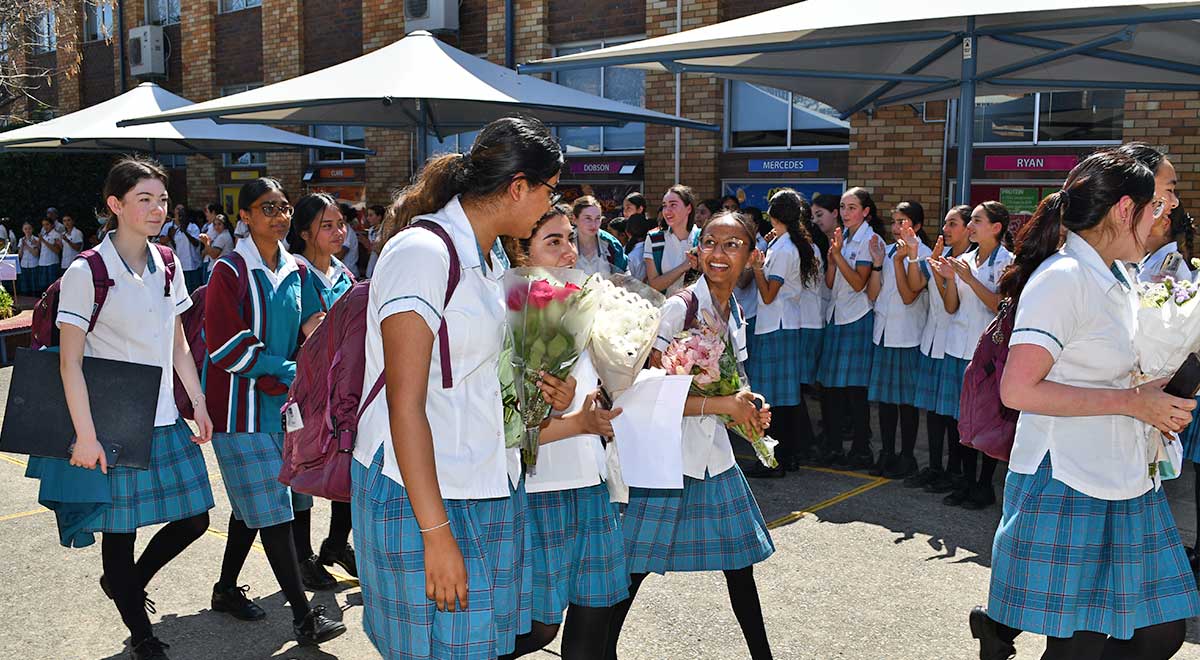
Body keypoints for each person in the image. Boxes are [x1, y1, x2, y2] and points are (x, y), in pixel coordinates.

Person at [970, 149, 1200, 660]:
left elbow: (1110, 366)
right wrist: (1133, 402)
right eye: (1154, 207)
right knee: (1084, 645)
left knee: (1159, 632)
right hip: (1069, 475)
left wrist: (1158, 396)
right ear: (1124, 210)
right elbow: (1019, 390)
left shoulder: (1117, 275)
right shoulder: (1064, 276)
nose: (1164, 216)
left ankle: (994, 631)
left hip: (1120, 472)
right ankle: (995, 630)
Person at [352, 116, 565, 660]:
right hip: (422, 493)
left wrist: (540, 396)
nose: (549, 206)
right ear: (518, 187)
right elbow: (406, 405)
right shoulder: (422, 254)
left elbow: (475, 377)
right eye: (548, 192)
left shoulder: (492, 256)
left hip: (486, 481)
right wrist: (436, 534)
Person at [56, 157, 215, 660]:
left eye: (162, 199)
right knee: (120, 534)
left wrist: (200, 403)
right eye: (144, 199)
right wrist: (85, 435)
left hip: (166, 416)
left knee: (195, 519)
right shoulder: (88, 270)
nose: (156, 208)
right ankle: (140, 631)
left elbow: (179, 344)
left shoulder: (168, 262)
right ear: (115, 205)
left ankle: (124, 583)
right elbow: (69, 363)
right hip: (114, 425)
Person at [607, 209, 775, 660]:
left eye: (732, 245)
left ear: (752, 256)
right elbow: (644, 388)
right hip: (667, 459)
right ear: (697, 253)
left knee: (740, 566)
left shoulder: (735, 310)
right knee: (632, 570)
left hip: (712, 457)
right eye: (711, 244)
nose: (719, 254)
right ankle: (596, 649)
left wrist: (749, 406)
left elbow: (730, 380)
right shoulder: (681, 307)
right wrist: (724, 405)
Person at [204, 178, 346, 646]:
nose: (280, 215)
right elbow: (226, 346)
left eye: (284, 207)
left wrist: (328, 347)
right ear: (243, 216)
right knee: (276, 510)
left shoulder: (296, 268)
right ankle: (305, 617)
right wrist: (288, 367)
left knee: (252, 509)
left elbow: (311, 324)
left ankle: (225, 588)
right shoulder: (230, 270)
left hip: (280, 409)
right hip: (238, 412)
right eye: (268, 208)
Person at [501, 204, 628, 660]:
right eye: (553, 241)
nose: (568, 250)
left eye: (570, 237)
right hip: (542, 490)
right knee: (537, 630)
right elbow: (509, 431)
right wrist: (581, 423)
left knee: (592, 628)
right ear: (522, 250)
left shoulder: (578, 304)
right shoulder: (516, 314)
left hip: (590, 483)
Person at [287, 193, 359, 590]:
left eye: (340, 224)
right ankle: (302, 558)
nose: (339, 232)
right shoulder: (297, 273)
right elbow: (312, 329)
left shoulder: (343, 274)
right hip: (308, 391)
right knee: (305, 470)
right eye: (327, 226)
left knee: (344, 465)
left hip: (342, 389)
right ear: (304, 233)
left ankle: (335, 544)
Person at [930, 201, 1014, 510]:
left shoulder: (1007, 262)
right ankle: (965, 481)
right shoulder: (963, 260)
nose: (970, 227)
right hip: (957, 348)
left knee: (988, 420)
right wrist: (948, 280)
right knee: (960, 420)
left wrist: (968, 279)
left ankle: (983, 485)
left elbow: (999, 307)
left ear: (996, 227)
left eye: (977, 221)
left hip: (986, 354)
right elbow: (951, 306)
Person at [745, 190, 824, 478]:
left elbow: (767, 295)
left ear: (773, 214)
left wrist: (755, 268)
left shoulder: (784, 248)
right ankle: (788, 457)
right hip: (787, 325)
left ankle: (773, 460)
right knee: (786, 398)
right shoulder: (791, 243)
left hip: (774, 327)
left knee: (771, 399)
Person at [903, 205, 974, 493]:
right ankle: (934, 466)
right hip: (931, 340)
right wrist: (912, 253)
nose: (946, 228)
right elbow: (915, 284)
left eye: (953, 223)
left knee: (952, 415)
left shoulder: (970, 263)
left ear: (969, 228)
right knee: (933, 412)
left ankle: (954, 470)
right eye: (945, 223)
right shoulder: (939, 257)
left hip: (955, 344)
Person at [815, 188, 883, 469]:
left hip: (857, 318)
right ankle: (833, 446)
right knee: (830, 388)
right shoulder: (843, 237)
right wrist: (833, 259)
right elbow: (831, 283)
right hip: (836, 315)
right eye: (843, 207)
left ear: (866, 211)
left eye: (852, 207)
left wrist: (839, 256)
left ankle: (860, 449)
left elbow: (859, 284)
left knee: (855, 391)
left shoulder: (870, 239)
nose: (845, 213)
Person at [864, 201, 932, 479]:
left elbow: (910, 296)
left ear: (916, 226)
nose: (895, 227)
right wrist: (878, 265)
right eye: (893, 221)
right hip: (883, 332)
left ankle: (907, 456)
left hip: (908, 335)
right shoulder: (887, 250)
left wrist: (898, 262)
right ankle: (887, 452)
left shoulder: (924, 255)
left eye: (902, 221)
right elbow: (871, 293)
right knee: (886, 402)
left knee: (906, 404)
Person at [644, 185, 701, 295]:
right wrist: (683, 267)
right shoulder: (654, 238)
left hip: (696, 309)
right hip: (664, 309)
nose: (667, 211)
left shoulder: (702, 238)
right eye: (664, 206)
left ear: (688, 208)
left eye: (673, 205)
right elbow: (654, 285)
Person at [572, 195, 628, 276]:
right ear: (574, 219)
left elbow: (623, 275)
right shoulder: (565, 243)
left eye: (597, 218)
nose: (593, 224)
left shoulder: (611, 244)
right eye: (588, 218)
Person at [166, 210, 204, 293]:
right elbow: (176, 246)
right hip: (183, 265)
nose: (180, 218)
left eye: (182, 216)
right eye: (179, 216)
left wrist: (186, 232)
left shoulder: (193, 227)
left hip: (194, 265)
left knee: (195, 291)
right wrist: (171, 237)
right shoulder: (177, 230)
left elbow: (196, 243)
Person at [198, 214, 234, 284]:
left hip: (220, 271)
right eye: (215, 225)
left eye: (219, 224)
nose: (216, 227)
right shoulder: (223, 235)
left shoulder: (222, 237)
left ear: (224, 224)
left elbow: (214, 255)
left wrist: (206, 242)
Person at [37, 217, 62, 293]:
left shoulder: (56, 235)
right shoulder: (44, 235)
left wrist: (43, 241)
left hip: (52, 262)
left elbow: (57, 250)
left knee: (52, 285)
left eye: (47, 224)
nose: (45, 227)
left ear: (52, 225)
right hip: (42, 262)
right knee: (43, 285)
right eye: (43, 225)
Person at [17, 221, 40, 296]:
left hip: (34, 264)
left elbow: (36, 253)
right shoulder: (21, 240)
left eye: (29, 228)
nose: (27, 231)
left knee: (34, 285)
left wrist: (27, 246)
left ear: (32, 229)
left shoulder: (36, 239)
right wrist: (22, 246)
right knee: (25, 285)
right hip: (24, 264)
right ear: (23, 230)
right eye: (25, 229)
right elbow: (20, 255)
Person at [364, 204, 386, 279]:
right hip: (371, 266)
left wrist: (366, 243)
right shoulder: (371, 230)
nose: (368, 218)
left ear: (379, 217)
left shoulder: (384, 231)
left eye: (371, 215)